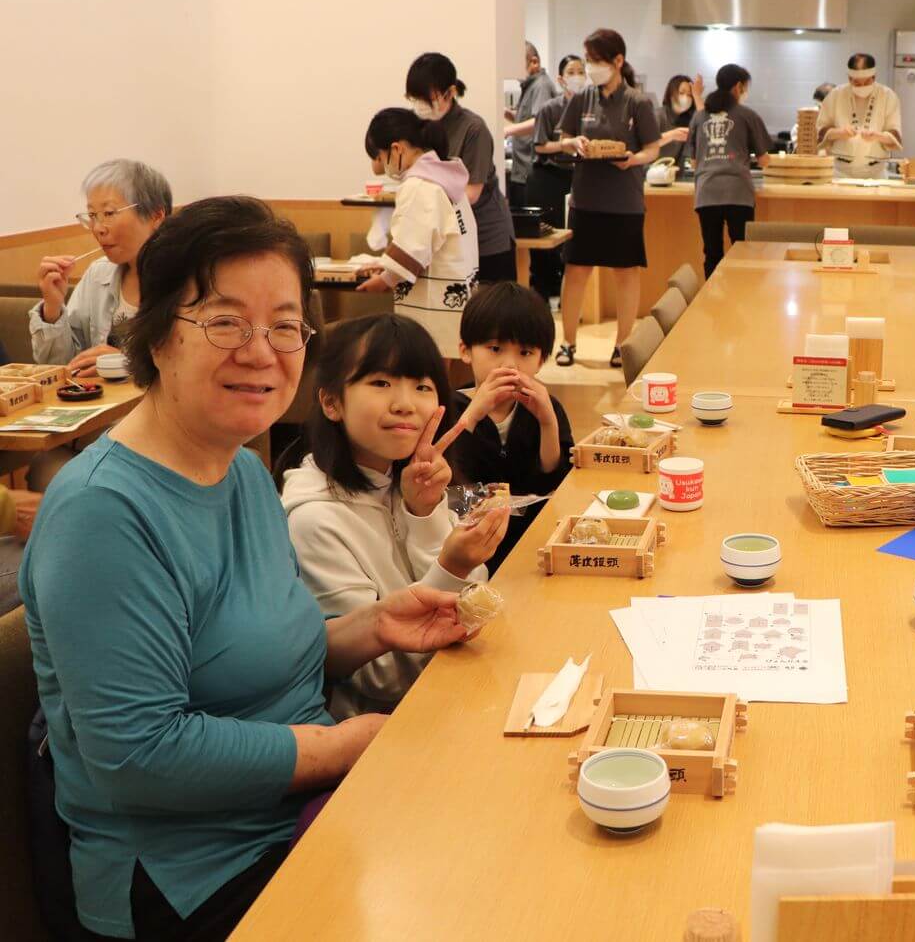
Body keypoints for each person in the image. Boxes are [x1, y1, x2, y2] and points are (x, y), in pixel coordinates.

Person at [19, 196, 489, 940]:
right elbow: (139, 755)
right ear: (159, 333)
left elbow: (257, 653)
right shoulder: (101, 513)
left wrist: (374, 625)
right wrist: (345, 744)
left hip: (301, 813)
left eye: (284, 325)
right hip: (192, 874)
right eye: (226, 321)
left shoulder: (240, 469)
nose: (262, 351)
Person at [282, 314, 507, 720]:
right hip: (386, 732)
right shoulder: (313, 519)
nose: (404, 403)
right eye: (381, 383)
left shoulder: (418, 479)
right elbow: (381, 677)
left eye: (421, 386)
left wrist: (423, 514)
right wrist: (451, 566)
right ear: (331, 402)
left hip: (459, 692)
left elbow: (480, 605)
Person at [553, 28, 662, 368]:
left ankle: (622, 345)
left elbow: (652, 149)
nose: (591, 67)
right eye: (588, 60)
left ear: (618, 61)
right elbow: (564, 136)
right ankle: (568, 343)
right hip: (585, 200)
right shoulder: (582, 98)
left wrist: (632, 159)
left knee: (626, 274)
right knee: (576, 271)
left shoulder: (638, 102)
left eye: (597, 60)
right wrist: (573, 144)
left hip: (624, 202)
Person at [449, 281, 574, 572]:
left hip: (534, 542)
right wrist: (474, 413)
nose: (510, 365)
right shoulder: (450, 408)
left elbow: (553, 479)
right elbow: (448, 481)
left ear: (541, 360)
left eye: (525, 353)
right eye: (495, 349)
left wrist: (547, 421)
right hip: (470, 547)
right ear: (466, 351)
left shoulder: (547, 406)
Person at [355, 108, 479, 354]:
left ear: (396, 149)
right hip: (456, 289)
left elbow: (413, 248)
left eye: (379, 156)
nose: (378, 166)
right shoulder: (444, 177)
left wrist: (385, 279)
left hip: (432, 301)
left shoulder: (419, 185)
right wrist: (386, 266)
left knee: (426, 367)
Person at [33, 158, 171, 376]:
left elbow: (194, 366)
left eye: (109, 213)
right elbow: (62, 366)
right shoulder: (98, 273)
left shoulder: (185, 276)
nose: (98, 229)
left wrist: (125, 363)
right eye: (92, 216)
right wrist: (53, 308)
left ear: (156, 215)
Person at [405, 52, 516, 283]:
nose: (421, 106)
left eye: (429, 99)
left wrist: (425, 196)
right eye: (416, 99)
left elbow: (471, 193)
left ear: (451, 92)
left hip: (486, 238)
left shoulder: (473, 129)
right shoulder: (419, 128)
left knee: (490, 313)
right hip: (445, 239)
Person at [685, 64, 772, 278]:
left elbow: (694, 162)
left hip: (707, 194)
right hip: (739, 193)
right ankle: (741, 300)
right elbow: (764, 160)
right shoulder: (747, 114)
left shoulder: (699, 116)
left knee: (712, 253)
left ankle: (710, 305)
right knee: (742, 252)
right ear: (739, 86)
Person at [816, 53, 903, 178]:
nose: (862, 87)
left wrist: (877, 136)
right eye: (857, 83)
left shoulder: (888, 96)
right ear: (849, 78)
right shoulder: (835, 96)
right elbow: (821, 130)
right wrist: (839, 133)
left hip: (876, 172)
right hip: (841, 172)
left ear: (874, 76)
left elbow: (895, 134)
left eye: (867, 82)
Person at [504, 42, 562, 209]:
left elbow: (539, 121)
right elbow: (529, 117)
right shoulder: (530, 86)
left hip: (530, 171)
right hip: (522, 171)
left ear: (534, 62)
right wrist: (508, 114)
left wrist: (508, 130)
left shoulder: (541, 85)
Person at [655, 73, 703, 168]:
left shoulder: (690, 119)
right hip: (650, 172)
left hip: (676, 175)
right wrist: (672, 135)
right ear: (671, 94)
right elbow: (646, 144)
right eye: (681, 93)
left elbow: (705, 124)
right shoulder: (658, 115)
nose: (686, 97)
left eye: (689, 95)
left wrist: (697, 96)